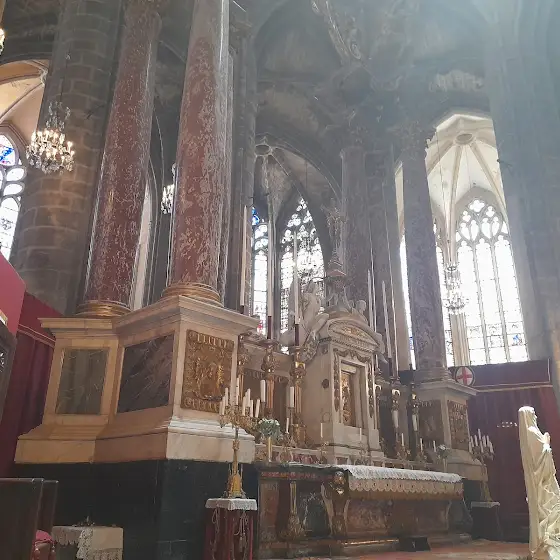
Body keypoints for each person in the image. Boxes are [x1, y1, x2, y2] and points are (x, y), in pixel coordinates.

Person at [519, 406, 560, 560]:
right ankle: (547, 547)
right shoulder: (532, 432)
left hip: (543, 480)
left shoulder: (530, 432)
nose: (535, 417)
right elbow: (543, 456)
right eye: (533, 414)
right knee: (549, 511)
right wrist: (547, 442)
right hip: (542, 482)